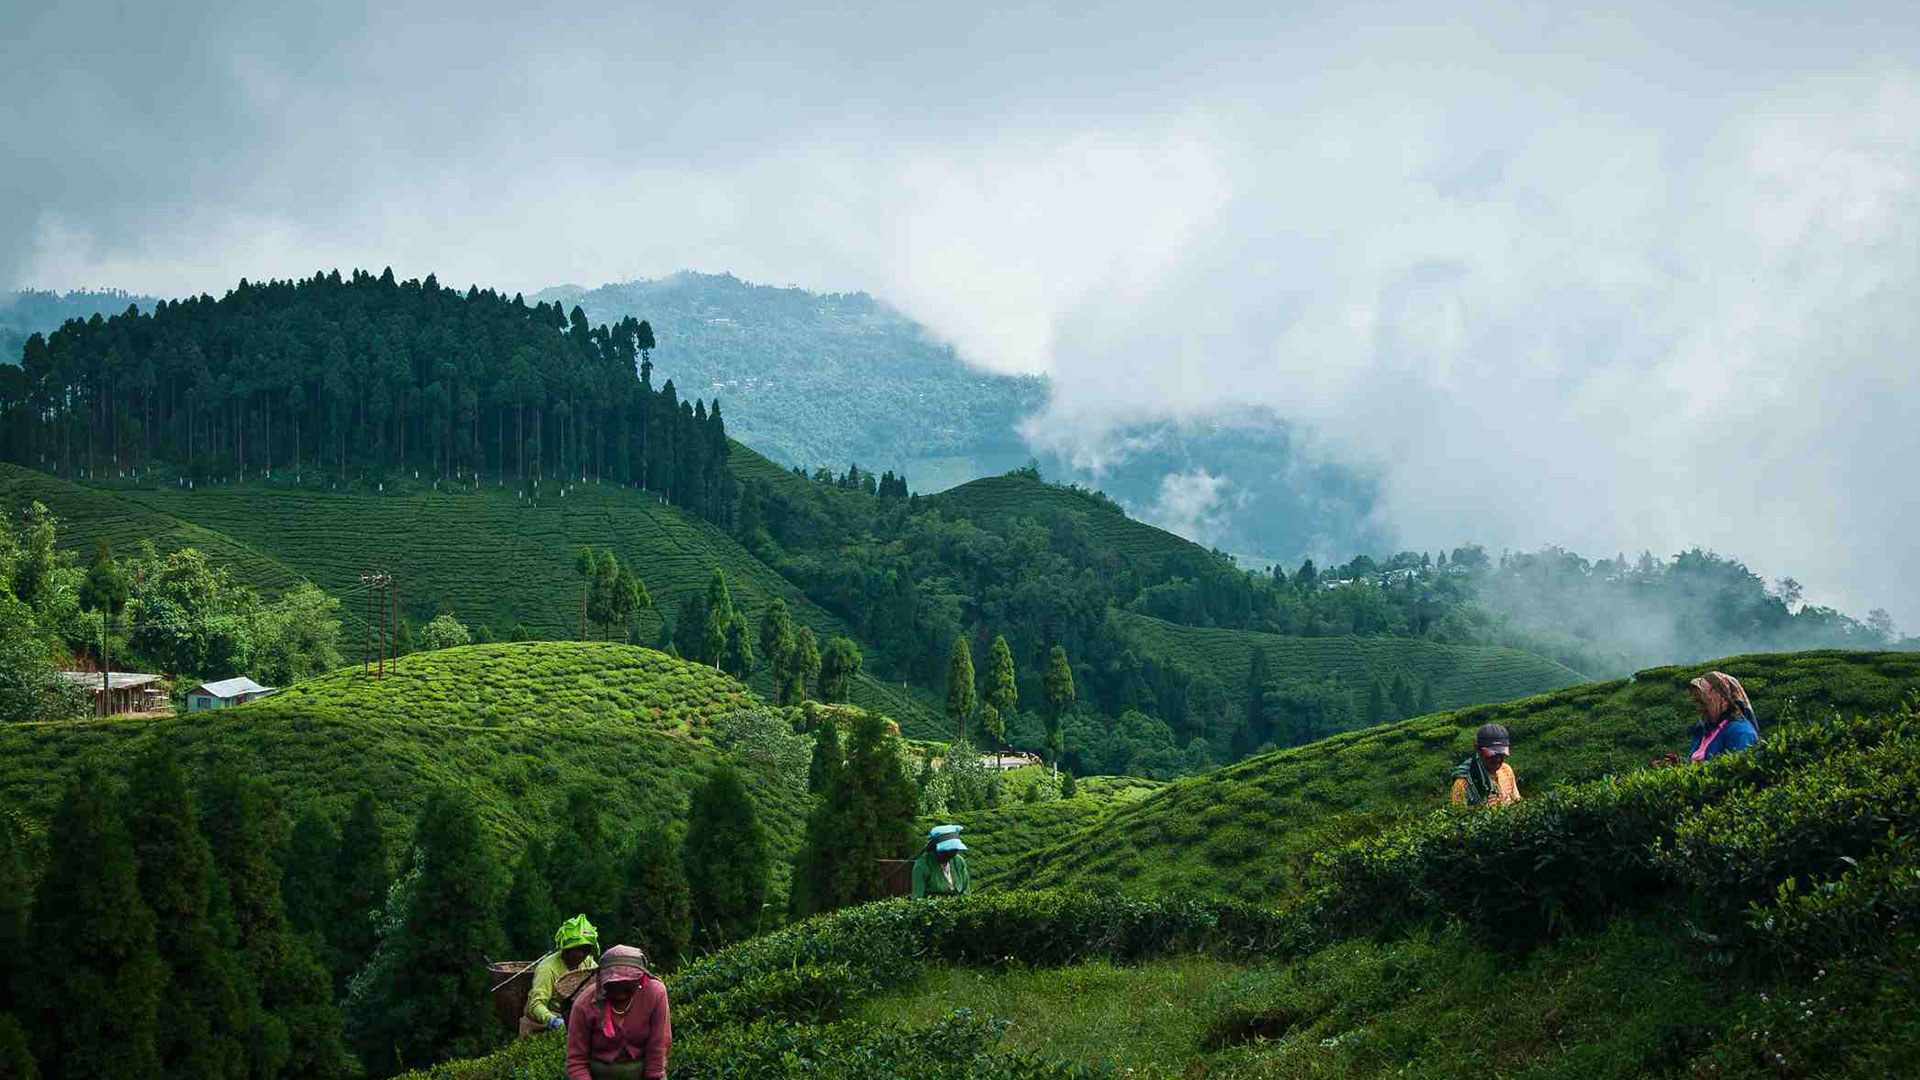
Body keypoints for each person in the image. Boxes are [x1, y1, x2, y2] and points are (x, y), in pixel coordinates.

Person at [566, 944, 672, 1080]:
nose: (620, 995)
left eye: (627, 988)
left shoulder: (655, 994)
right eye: (612, 987)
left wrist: (654, 1077)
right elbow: (576, 1061)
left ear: (640, 979)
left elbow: (658, 1046)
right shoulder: (584, 1004)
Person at [522, 914, 599, 1037]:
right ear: (567, 949)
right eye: (578, 950)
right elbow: (536, 1004)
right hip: (544, 1024)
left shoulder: (588, 963)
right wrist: (553, 1021)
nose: (583, 955)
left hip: (575, 1018)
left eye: (586, 950)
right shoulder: (548, 968)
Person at [1687, 670, 1759, 761]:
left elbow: (1739, 769)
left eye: (1703, 697)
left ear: (1722, 698)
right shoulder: (1703, 730)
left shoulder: (1740, 732)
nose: (1699, 702)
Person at [1451, 722, 1521, 807]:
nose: (1498, 759)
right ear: (1477, 749)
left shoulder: (1506, 770)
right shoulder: (1464, 782)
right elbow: (1458, 814)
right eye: (1492, 754)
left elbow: (1516, 800)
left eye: (1501, 754)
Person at [911, 831, 970, 898]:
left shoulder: (959, 862)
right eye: (946, 853)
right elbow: (917, 897)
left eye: (953, 853)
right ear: (935, 850)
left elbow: (966, 892)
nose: (949, 857)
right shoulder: (923, 864)